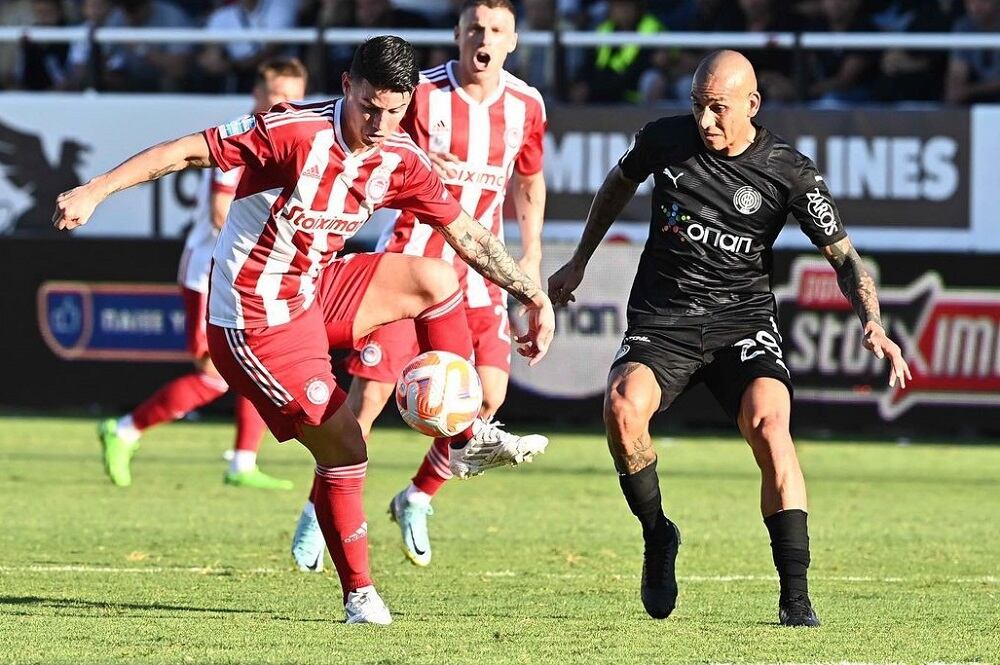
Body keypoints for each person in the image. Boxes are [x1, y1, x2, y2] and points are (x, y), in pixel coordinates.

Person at [53, 35, 555, 626]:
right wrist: (96, 190)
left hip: (316, 287)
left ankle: (465, 436)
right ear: (347, 86)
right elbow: (187, 152)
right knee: (345, 443)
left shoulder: (400, 157)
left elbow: (465, 232)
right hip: (253, 316)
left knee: (433, 277)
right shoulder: (292, 131)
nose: (381, 123)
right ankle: (360, 596)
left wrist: (532, 294)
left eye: (396, 111)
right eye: (370, 106)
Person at [548, 50, 911, 627]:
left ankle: (796, 599)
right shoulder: (665, 141)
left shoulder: (788, 170)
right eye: (697, 106)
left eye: (718, 109)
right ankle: (658, 534)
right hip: (663, 321)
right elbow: (617, 185)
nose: (705, 122)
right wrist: (579, 261)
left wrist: (873, 319)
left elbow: (844, 258)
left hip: (741, 325)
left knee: (771, 426)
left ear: (752, 104)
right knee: (621, 411)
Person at [290, 0, 548, 571]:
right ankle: (318, 511)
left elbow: (529, 181)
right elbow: (362, 148)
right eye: (475, 27)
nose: (484, 37)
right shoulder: (421, 96)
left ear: (512, 41)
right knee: (370, 401)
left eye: (497, 29)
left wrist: (530, 256)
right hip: (411, 265)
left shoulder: (528, 105)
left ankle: (418, 495)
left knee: (487, 398)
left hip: (478, 275)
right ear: (457, 34)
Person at [96, 58, 309, 491]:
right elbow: (218, 214)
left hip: (254, 274)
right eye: (277, 95)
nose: (286, 103)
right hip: (210, 272)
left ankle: (243, 462)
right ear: (258, 95)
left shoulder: (301, 141)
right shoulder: (244, 136)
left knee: (260, 364)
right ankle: (124, 430)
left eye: (294, 95)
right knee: (214, 375)